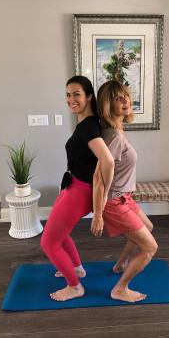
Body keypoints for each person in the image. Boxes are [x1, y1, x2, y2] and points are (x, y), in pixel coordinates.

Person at [41, 76, 114, 301]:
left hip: (80, 192)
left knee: (48, 243)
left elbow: (108, 161)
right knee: (58, 234)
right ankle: (77, 268)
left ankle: (75, 286)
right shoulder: (85, 123)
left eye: (77, 94)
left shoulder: (88, 126)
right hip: (73, 186)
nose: (71, 99)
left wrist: (101, 201)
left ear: (89, 96)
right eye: (68, 95)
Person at [92, 80, 158, 303]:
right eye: (117, 98)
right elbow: (99, 178)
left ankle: (120, 265)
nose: (125, 101)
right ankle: (119, 289)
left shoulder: (118, 131)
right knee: (150, 247)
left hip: (125, 197)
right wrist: (98, 214)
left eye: (126, 96)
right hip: (114, 202)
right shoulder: (113, 137)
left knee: (148, 227)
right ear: (107, 105)